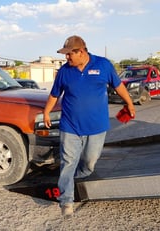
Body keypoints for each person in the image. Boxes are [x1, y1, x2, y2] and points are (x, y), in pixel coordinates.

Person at [43, 35, 135, 217]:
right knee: (68, 162)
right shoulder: (64, 72)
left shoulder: (103, 65)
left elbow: (119, 87)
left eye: (69, 55)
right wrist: (46, 112)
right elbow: (54, 95)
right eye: (65, 55)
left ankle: (75, 177)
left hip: (97, 125)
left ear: (81, 52)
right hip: (70, 125)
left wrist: (130, 103)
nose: (66, 58)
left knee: (90, 162)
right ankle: (66, 200)